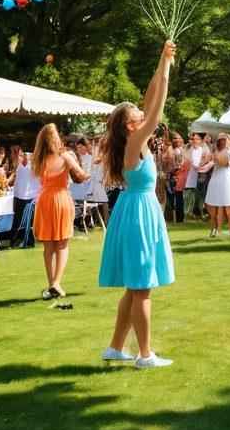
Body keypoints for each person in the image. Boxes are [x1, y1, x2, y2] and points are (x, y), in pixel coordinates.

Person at [98, 40, 178, 369]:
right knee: (142, 287)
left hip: (135, 212)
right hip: (138, 215)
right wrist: (167, 70)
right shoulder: (135, 140)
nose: (142, 115)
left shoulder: (133, 139)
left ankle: (116, 348)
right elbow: (155, 114)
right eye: (136, 116)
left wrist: (164, 61)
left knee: (134, 288)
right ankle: (145, 355)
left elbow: (150, 97)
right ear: (129, 125)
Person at [30, 124, 88, 302]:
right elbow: (79, 172)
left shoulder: (39, 159)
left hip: (45, 201)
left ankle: (51, 284)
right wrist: (84, 174)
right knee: (62, 244)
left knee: (48, 246)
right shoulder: (65, 155)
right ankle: (57, 283)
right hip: (61, 199)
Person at [205, 134, 230, 240]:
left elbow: (223, 162)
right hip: (221, 179)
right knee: (220, 207)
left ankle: (224, 231)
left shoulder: (224, 152)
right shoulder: (222, 152)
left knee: (223, 207)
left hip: (222, 179)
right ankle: (219, 230)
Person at [9, 150, 40, 246]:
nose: (18, 157)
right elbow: (14, 176)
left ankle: (28, 241)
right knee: (17, 219)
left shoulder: (33, 166)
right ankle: (14, 240)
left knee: (27, 220)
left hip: (30, 196)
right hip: (18, 195)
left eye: (20, 154)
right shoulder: (18, 166)